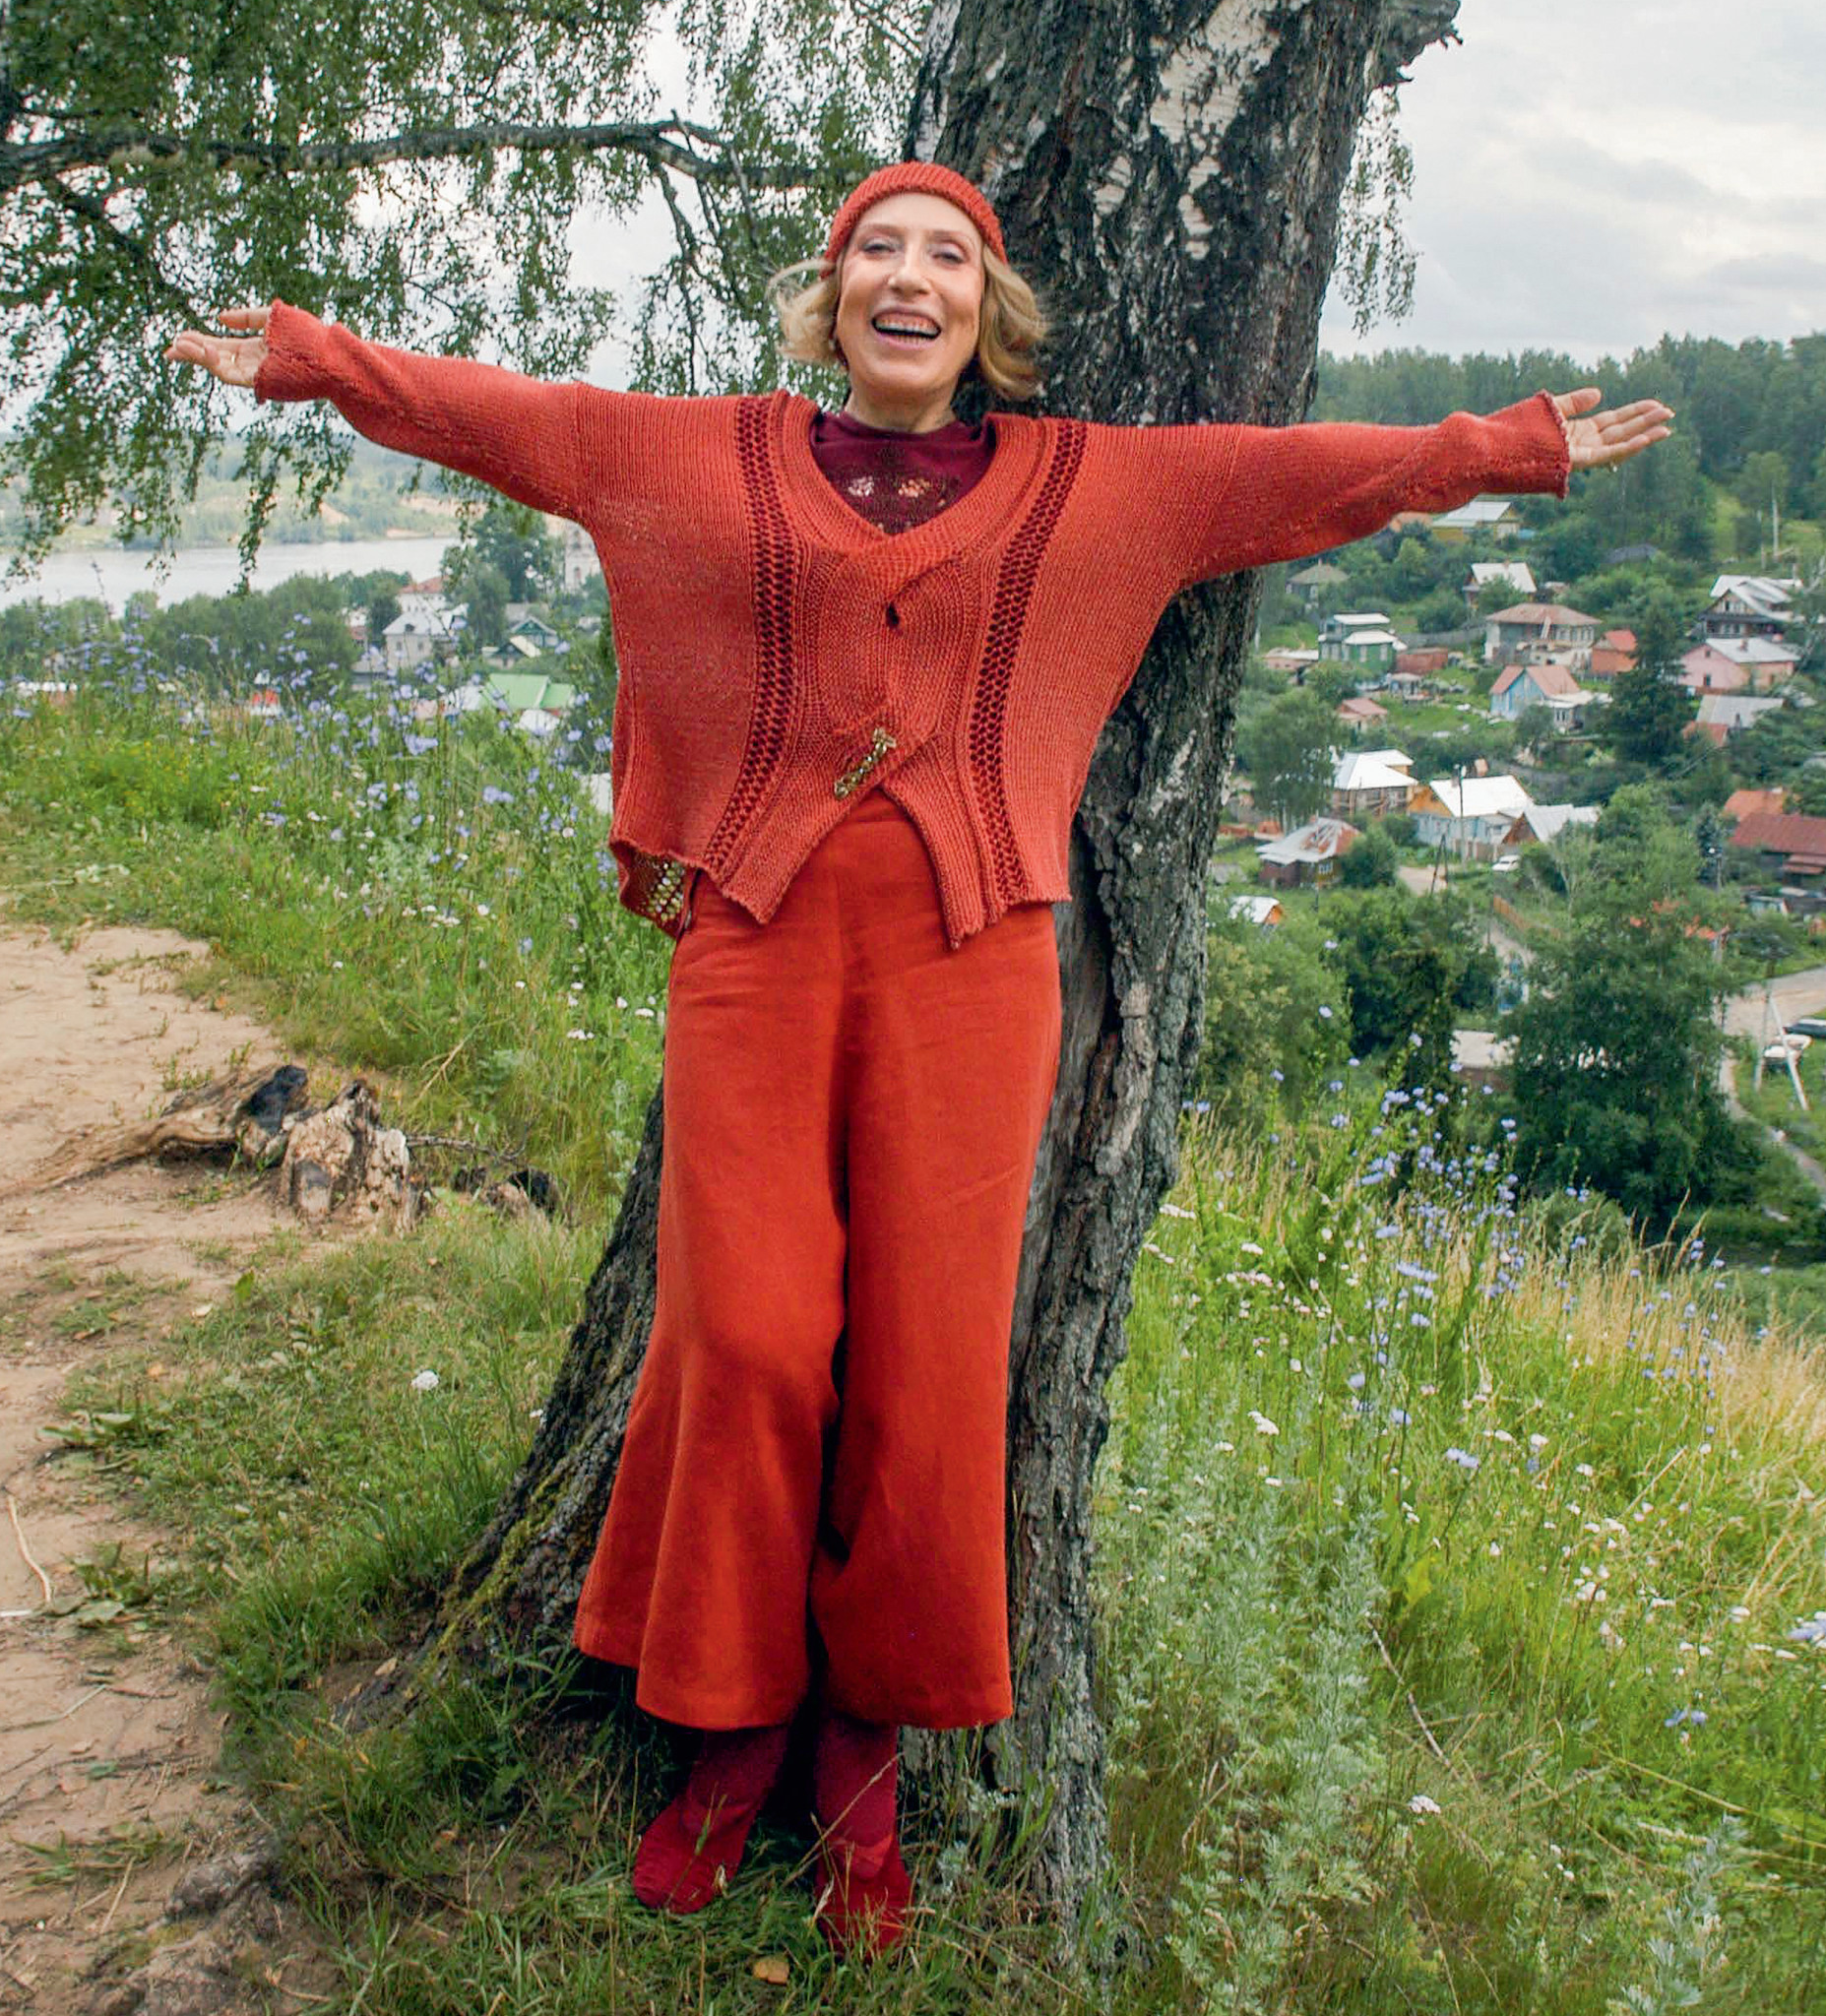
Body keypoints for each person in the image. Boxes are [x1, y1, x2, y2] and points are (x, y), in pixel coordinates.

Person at [166, 158, 1671, 1960]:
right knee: (742, 1339)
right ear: (833, 297)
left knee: (930, 1369)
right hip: (753, 950)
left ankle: (861, 1760)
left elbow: (1302, 477)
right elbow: (506, 419)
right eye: (875, 248)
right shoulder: (694, 454)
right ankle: (726, 1728)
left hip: (974, 969)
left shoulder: (1092, 486)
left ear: (984, 309)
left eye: (944, 255)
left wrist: (1505, 447)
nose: (907, 276)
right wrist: (316, 359)